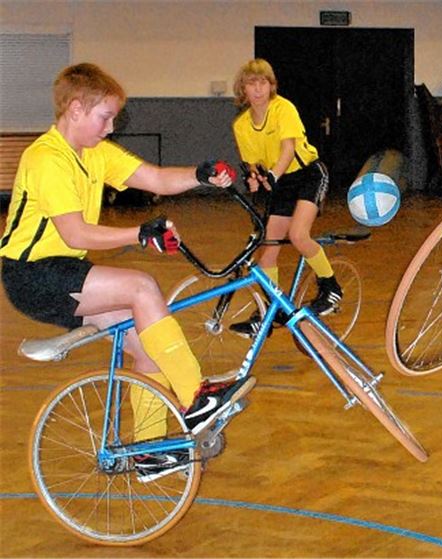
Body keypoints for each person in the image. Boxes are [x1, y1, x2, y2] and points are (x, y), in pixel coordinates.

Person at [0, 63, 255, 482]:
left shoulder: (94, 154)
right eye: (105, 116)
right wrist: (140, 234)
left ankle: (150, 453)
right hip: (32, 276)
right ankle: (197, 399)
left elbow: (153, 177)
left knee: (147, 346)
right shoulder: (46, 158)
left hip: (63, 270)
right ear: (76, 109)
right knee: (142, 286)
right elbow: (75, 230)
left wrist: (201, 175)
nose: (111, 126)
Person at [228, 58, 340, 337]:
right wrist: (254, 178)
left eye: (263, 82)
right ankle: (269, 311)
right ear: (243, 89)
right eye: (251, 83)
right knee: (269, 248)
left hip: (308, 175)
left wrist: (273, 176)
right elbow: (252, 163)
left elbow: (288, 150)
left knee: (299, 235)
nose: (257, 89)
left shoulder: (283, 108)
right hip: (280, 183)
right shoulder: (241, 125)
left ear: (271, 86)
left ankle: (331, 286)